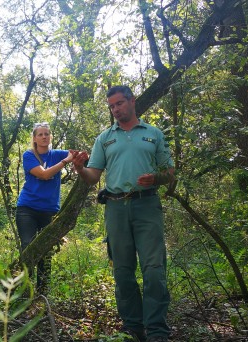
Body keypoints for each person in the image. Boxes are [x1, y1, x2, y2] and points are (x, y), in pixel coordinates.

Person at [72, 85, 174, 342]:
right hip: (116, 208)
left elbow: (170, 173)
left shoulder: (153, 134)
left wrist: (157, 178)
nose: (116, 110)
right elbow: (92, 176)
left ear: (132, 101)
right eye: (112, 106)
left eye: (119, 103)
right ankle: (133, 328)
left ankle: (157, 331)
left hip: (147, 206)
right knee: (123, 271)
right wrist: (79, 168)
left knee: (153, 269)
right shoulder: (105, 138)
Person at [16, 122, 74, 295]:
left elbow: (77, 154)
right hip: (27, 208)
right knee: (29, 245)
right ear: (34, 138)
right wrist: (66, 161)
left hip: (49, 210)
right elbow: (43, 174)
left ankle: (42, 293)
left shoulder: (56, 154)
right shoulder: (29, 155)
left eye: (47, 134)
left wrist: (77, 157)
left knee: (46, 250)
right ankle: (24, 290)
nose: (43, 137)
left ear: (50, 137)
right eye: (40, 134)